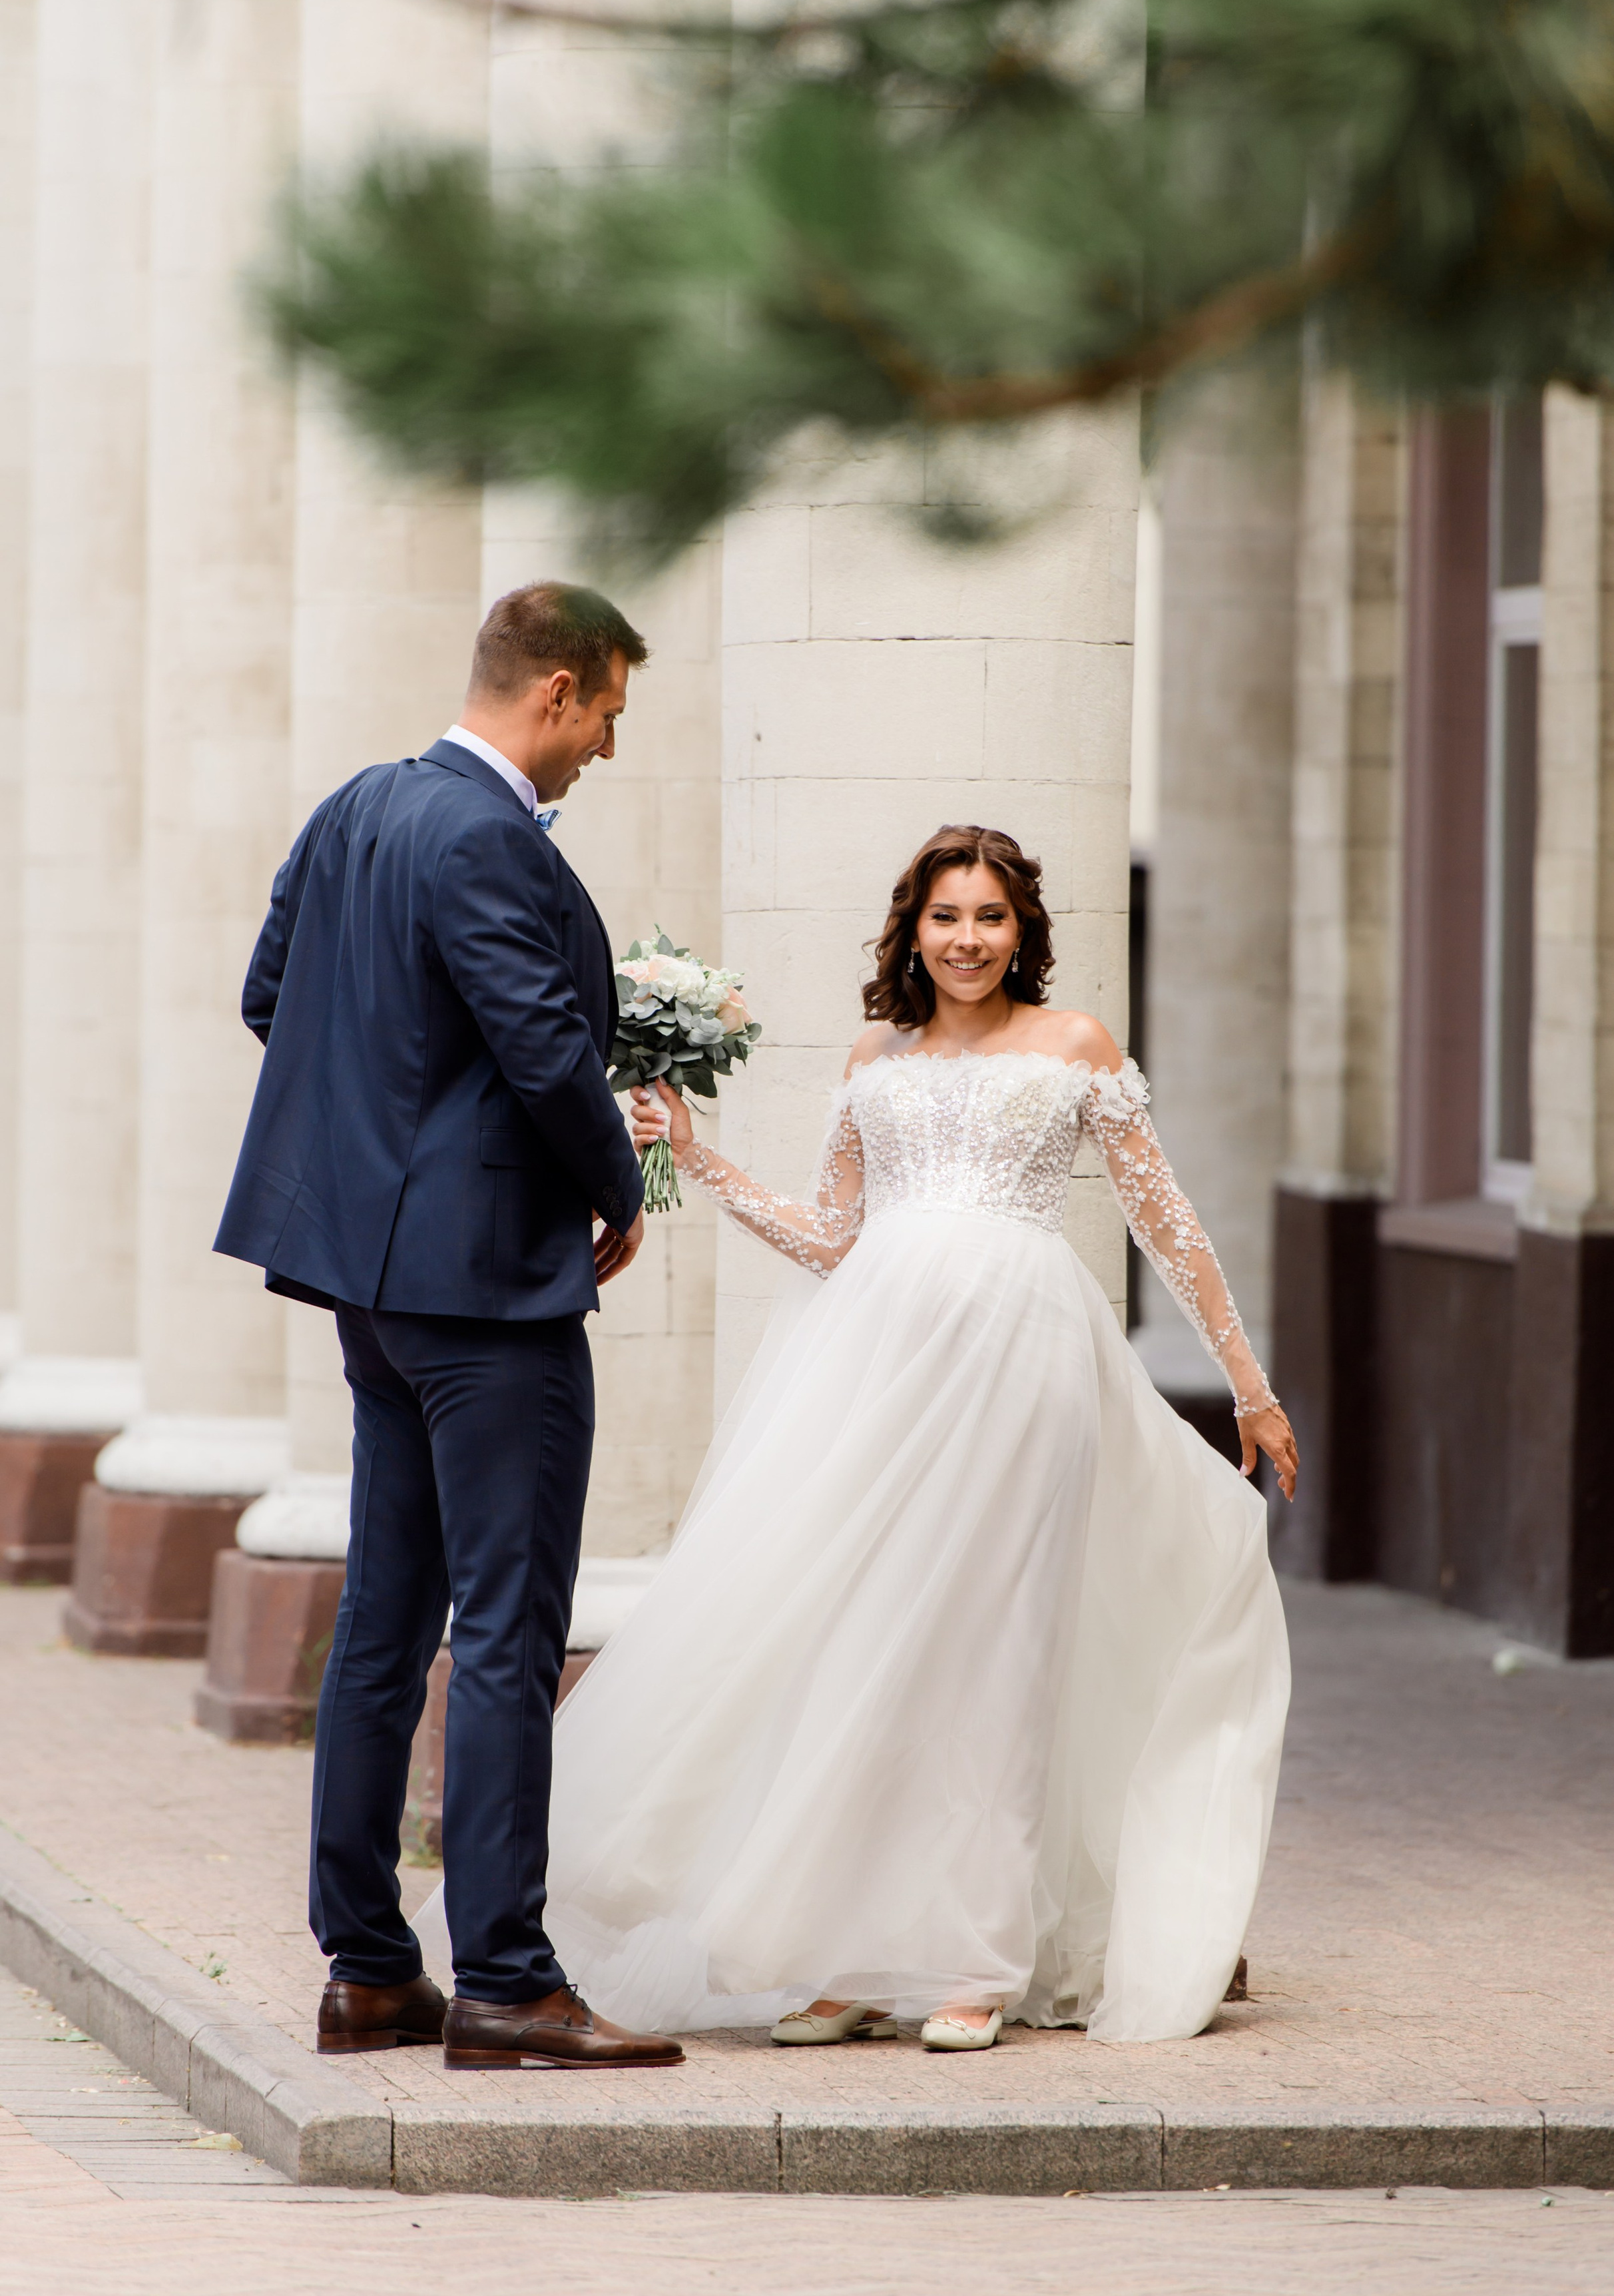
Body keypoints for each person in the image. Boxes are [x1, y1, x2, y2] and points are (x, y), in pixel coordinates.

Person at [417, 822, 1295, 2050]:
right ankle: (849, 1956)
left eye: (990, 917)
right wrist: (701, 1162)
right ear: (913, 930)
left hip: (1028, 1364)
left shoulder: (1076, 1044)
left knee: (995, 1653)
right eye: (947, 917)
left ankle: (974, 1962)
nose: (968, 940)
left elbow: (1171, 1225)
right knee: (870, 1646)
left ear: (1023, 931)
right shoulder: (874, 1053)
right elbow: (833, 1237)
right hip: (885, 1372)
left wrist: (1247, 1383)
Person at [215, 582, 682, 2072]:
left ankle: (366, 1970)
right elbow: (540, 1047)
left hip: (372, 1289)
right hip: (484, 1291)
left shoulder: (355, 807)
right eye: (608, 712)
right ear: (555, 690)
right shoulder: (486, 834)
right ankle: (507, 1981)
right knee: (505, 1630)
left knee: (385, 1619)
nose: (608, 744)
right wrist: (618, 1182)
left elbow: (270, 997)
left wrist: (387, 1137)